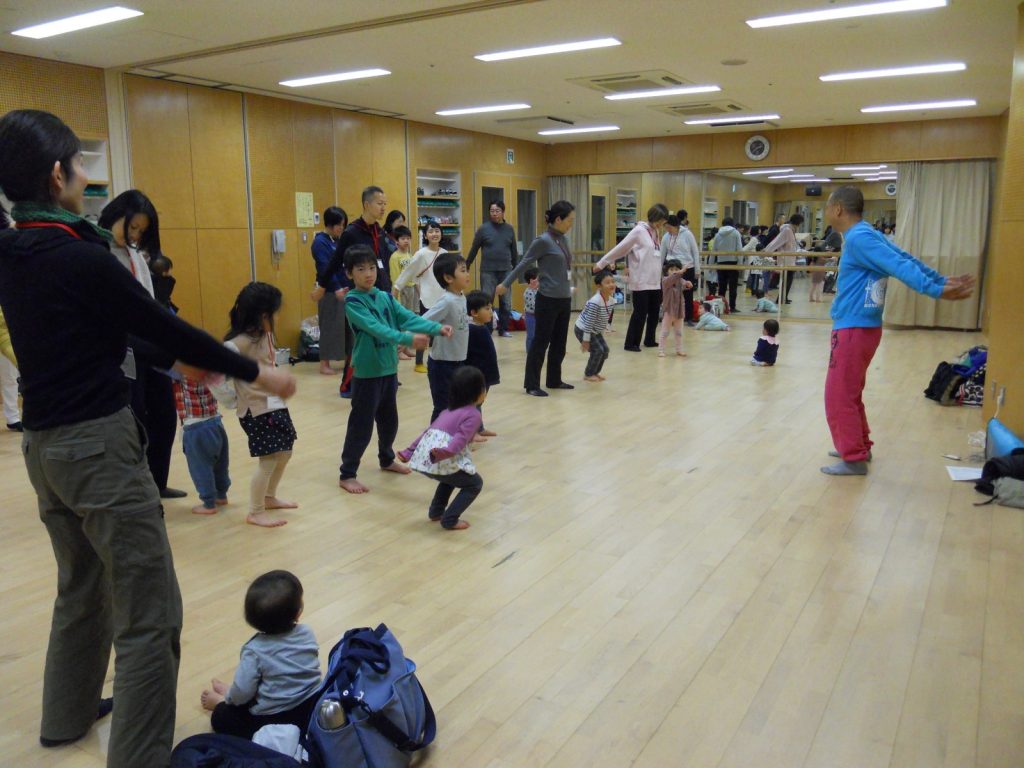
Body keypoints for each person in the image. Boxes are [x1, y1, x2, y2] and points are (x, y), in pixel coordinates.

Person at [0, 108, 295, 766]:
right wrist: (256, 371)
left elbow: (111, 329)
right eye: (80, 166)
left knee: (82, 587)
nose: (86, 178)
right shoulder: (80, 256)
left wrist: (174, 362)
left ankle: (65, 716)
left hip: (44, 449)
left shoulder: (15, 248)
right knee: (150, 613)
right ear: (56, 175)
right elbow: (162, 324)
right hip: (97, 448)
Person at [820, 186, 974, 476]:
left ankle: (853, 458)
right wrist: (939, 279)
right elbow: (904, 258)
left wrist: (935, 288)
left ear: (838, 208)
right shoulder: (866, 233)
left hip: (853, 329)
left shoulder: (859, 238)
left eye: (828, 207)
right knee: (849, 391)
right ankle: (857, 446)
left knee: (838, 395)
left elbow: (899, 264)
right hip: (863, 328)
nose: (827, 213)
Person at [338, 245, 452, 494]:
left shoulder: (385, 297)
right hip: (367, 372)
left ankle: (386, 458)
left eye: (371, 268)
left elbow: (407, 318)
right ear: (349, 273)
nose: (368, 274)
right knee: (361, 425)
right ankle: (347, 473)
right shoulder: (353, 301)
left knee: (389, 421)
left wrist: (436, 328)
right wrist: (408, 339)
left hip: (389, 369)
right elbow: (376, 328)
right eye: (361, 269)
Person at [100, 189, 187, 500]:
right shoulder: (98, 251)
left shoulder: (136, 254)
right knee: (134, 417)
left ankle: (157, 482)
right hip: (120, 347)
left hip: (148, 344)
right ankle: (135, 488)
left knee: (165, 414)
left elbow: (150, 304)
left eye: (141, 230)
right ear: (116, 216)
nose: (135, 234)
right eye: (132, 227)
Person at [200, 570, 321, 739]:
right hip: (313, 706)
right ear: (298, 613)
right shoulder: (307, 632)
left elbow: (243, 692)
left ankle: (221, 700)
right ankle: (229, 693)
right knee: (257, 688)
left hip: (275, 719)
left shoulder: (255, 651)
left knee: (222, 717)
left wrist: (230, 699)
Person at [221, 282, 298, 528]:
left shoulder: (266, 335)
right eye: (274, 313)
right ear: (263, 315)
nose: (277, 317)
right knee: (268, 460)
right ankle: (255, 511)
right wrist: (233, 399)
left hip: (274, 405)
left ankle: (269, 497)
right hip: (256, 411)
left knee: (285, 452)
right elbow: (215, 377)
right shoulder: (236, 344)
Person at [496, 201, 577, 397]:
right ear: (558, 219)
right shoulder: (543, 240)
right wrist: (505, 284)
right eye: (569, 220)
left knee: (559, 344)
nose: (571, 224)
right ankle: (531, 384)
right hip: (547, 299)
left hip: (564, 299)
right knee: (540, 343)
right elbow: (524, 263)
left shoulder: (563, 240)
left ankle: (554, 380)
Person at [398, 365, 487, 530]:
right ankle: (450, 519)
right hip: (440, 457)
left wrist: (409, 451)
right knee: (474, 484)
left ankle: (436, 512)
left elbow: (427, 432)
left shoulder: (447, 411)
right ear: (478, 392)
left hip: (426, 459)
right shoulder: (473, 414)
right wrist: (444, 453)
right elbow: (459, 440)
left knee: (450, 478)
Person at [594, 203, 669, 351]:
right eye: (660, 221)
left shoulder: (655, 232)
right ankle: (631, 343)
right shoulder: (639, 231)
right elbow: (621, 248)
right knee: (640, 313)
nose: (661, 224)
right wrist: (602, 263)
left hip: (654, 280)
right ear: (654, 217)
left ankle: (649, 339)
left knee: (654, 312)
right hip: (641, 280)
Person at [393, 220, 447, 373]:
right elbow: (408, 272)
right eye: (431, 231)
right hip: (426, 298)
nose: (434, 234)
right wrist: (397, 288)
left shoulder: (445, 253)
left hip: (442, 298)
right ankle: (418, 363)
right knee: (424, 332)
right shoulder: (421, 254)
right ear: (426, 235)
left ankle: (437, 361)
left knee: (440, 332)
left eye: (437, 231)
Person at [173, 375, 230, 516]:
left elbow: (163, 367)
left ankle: (209, 504)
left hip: (195, 427)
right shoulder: (210, 368)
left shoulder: (181, 370)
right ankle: (221, 495)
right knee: (220, 464)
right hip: (216, 422)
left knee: (201, 468)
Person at [424, 253, 470, 422]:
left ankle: (451, 437)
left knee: (457, 406)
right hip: (442, 365)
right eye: (463, 270)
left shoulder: (461, 297)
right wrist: (403, 339)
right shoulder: (447, 301)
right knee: (443, 408)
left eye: (467, 270)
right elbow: (423, 321)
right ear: (449, 278)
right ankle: (434, 438)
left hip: (458, 362)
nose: (467, 274)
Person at [466, 200, 519, 337]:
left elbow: (514, 251)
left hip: (506, 270)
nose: (494, 214)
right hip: (488, 271)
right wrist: (467, 264)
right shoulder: (483, 229)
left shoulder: (509, 229)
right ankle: (487, 329)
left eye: (497, 211)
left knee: (506, 301)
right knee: (487, 301)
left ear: (503, 212)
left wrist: (516, 270)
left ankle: (503, 329)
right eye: (492, 211)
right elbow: (474, 248)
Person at [310, 206, 349, 376]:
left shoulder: (338, 240)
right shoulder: (320, 242)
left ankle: (348, 358)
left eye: (343, 225)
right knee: (328, 325)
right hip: (329, 290)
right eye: (339, 224)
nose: (341, 228)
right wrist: (337, 287)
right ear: (330, 224)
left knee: (345, 326)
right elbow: (325, 268)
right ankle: (324, 363)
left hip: (344, 287)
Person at [465, 290, 500, 438]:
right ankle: (471, 432)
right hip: (476, 374)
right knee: (472, 403)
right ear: (474, 312)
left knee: (479, 402)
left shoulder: (483, 327)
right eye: (487, 308)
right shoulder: (471, 330)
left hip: (486, 373)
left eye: (491, 308)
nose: (491, 312)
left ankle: (479, 428)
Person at [574, 269, 616, 382]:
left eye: (612, 281)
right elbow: (589, 322)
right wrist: (585, 340)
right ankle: (588, 374)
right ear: (599, 286)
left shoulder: (612, 300)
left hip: (594, 330)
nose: (611, 284)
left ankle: (595, 372)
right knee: (598, 350)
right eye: (607, 282)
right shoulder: (595, 301)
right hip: (583, 328)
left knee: (605, 350)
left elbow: (603, 319)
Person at [662, 211, 701, 326]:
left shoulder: (687, 234)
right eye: (666, 227)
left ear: (676, 226)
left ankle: (688, 318)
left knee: (688, 294)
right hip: (671, 268)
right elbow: (662, 253)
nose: (667, 230)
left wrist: (697, 269)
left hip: (687, 267)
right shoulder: (666, 236)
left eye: (669, 227)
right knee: (670, 293)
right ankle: (670, 316)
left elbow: (695, 251)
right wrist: (659, 270)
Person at [763, 213, 804, 304]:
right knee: (786, 280)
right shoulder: (787, 230)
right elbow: (776, 242)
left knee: (788, 280)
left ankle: (784, 297)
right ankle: (781, 299)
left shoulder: (791, 230)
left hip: (790, 259)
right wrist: (767, 251)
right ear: (798, 223)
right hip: (786, 260)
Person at [659, 258, 693, 358]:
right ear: (667, 271)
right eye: (671, 269)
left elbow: (685, 284)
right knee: (665, 331)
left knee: (679, 332)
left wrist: (688, 283)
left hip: (679, 311)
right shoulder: (665, 280)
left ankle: (679, 350)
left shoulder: (680, 280)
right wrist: (680, 272)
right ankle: (661, 350)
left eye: (676, 269)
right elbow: (673, 278)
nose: (674, 271)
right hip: (669, 311)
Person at [711, 217, 743, 313]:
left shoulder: (717, 234)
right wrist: (740, 263)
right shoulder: (736, 233)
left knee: (722, 287)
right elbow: (739, 249)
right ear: (733, 224)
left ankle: (721, 307)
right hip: (733, 262)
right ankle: (732, 307)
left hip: (721, 262)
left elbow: (714, 250)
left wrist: (711, 264)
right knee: (733, 287)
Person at [522, 268, 539, 351]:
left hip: (538, 316)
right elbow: (533, 306)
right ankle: (529, 351)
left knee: (538, 335)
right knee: (531, 336)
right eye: (538, 278)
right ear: (532, 280)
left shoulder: (537, 290)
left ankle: (536, 350)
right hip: (531, 317)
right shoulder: (528, 292)